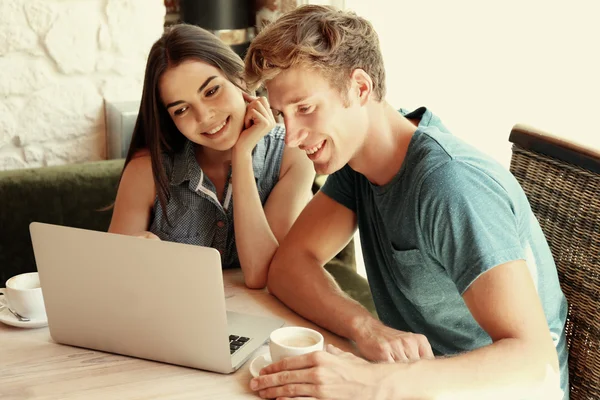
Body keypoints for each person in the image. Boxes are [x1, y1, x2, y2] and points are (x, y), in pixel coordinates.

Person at [244, 5, 568, 399]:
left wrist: (370, 382)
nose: (291, 137)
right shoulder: (358, 164)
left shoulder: (450, 184)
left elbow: (536, 364)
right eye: (282, 114)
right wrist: (367, 328)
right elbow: (288, 267)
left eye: (305, 108)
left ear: (360, 88)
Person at [108, 24, 314, 289]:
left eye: (211, 91)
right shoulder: (146, 170)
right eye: (181, 109)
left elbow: (261, 273)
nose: (204, 117)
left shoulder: (291, 153)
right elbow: (112, 281)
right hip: (174, 321)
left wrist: (242, 156)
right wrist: (138, 261)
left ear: (240, 79)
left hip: (266, 323)